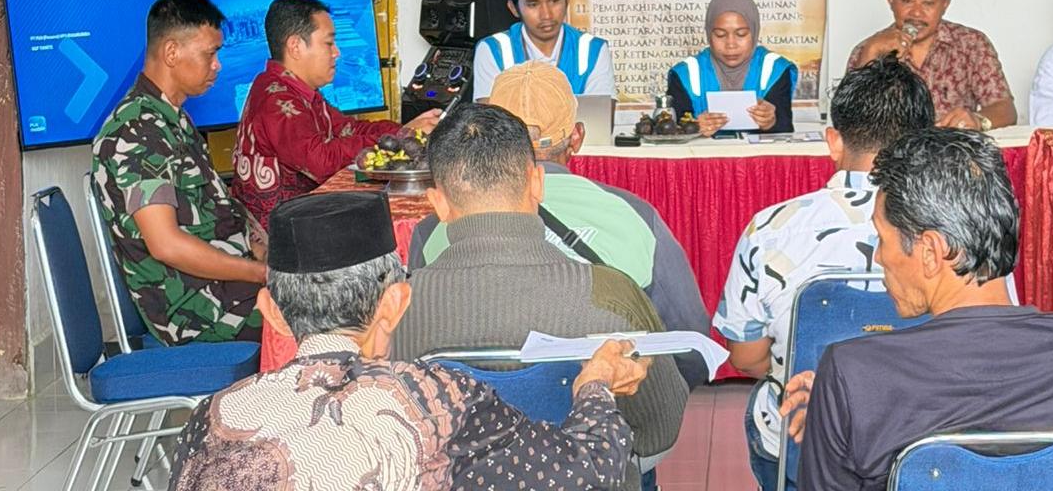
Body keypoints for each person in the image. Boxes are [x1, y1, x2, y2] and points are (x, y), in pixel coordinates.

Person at [169, 191, 649, 491]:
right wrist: (595, 384)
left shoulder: (212, 416)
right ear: (396, 302)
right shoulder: (436, 401)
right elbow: (590, 473)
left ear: (271, 311)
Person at [782, 128, 1053, 491]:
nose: (879, 257)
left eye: (882, 239)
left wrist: (839, 405)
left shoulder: (851, 371)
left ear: (931, 252)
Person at [392, 103, 689, 484]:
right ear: (537, 184)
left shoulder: (395, 312)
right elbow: (660, 433)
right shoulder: (612, 296)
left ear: (438, 204)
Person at [409, 61, 711, 387]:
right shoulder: (635, 215)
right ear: (576, 137)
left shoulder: (433, 229)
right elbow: (690, 343)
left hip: (467, 409)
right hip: (607, 406)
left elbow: (417, 339)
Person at [713, 55, 935, 491]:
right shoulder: (959, 232)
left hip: (803, 446)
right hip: (922, 450)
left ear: (833, 141)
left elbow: (746, 357)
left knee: (766, 402)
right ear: (924, 144)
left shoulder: (770, 229)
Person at [92, 0, 266, 345]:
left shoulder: (173, 120)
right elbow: (166, 244)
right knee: (332, 310)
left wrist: (261, 248)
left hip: (226, 285)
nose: (217, 65)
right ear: (171, 52)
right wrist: (261, 273)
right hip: (198, 311)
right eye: (210, 53)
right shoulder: (137, 131)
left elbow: (214, 211)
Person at [233, 0, 441, 228]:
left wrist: (405, 131)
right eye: (329, 43)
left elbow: (349, 128)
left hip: (304, 216)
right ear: (295, 47)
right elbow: (320, 160)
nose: (337, 52)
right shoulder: (276, 99)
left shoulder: (294, 90)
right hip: (280, 231)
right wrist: (401, 136)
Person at [847, 0, 1016, 129]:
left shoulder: (971, 44)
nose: (916, 13)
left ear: (945, 4)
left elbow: (1005, 108)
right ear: (891, 0)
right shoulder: (868, 49)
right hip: (892, 147)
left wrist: (978, 121)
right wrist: (870, 54)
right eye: (907, 1)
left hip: (952, 146)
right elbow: (849, 121)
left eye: (928, 3)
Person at [472, 0, 615, 99]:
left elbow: (599, 113)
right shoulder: (493, 50)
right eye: (533, 4)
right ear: (514, 8)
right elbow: (488, 114)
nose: (546, 15)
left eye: (554, 1)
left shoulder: (593, 49)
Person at [667, 0, 798, 134]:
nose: (731, 44)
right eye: (720, 35)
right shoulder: (685, 74)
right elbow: (668, 129)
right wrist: (692, 127)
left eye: (741, 34)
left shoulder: (775, 69)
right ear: (709, 34)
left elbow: (785, 128)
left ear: (754, 32)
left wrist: (771, 122)